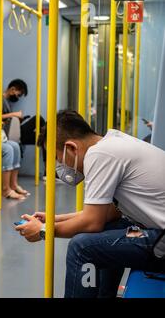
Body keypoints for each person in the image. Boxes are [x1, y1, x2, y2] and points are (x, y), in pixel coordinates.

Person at [14, 110, 165, 298]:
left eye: (58, 159)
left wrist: (44, 230)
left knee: (82, 247)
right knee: (107, 230)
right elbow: (109, 214)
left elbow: (91, 222)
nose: (59, 166)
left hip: (161, 240)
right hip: (156, 232)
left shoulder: (99, 155)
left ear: (71, 148)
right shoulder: (112, 142)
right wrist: (53, 219)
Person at [0, 79, 47, 177]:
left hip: (12, 131)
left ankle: (48, 171)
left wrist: (17, 119)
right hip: (6, 134)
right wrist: (14, 114)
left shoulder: (6, 102)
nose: (18, 98)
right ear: (12, 89)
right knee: (38, 119)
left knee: (45, 139)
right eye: (18, 95)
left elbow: (7, 119)